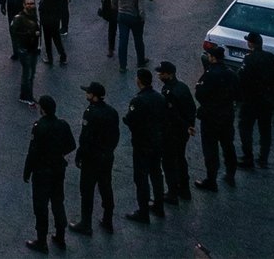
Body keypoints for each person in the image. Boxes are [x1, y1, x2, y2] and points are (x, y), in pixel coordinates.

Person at [22, 94, 75, 252]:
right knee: (58, 202)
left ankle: (41, 240)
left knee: (41, 206)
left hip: (42, 171)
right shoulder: (63, 125)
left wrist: (27, 171)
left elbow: (33, 152)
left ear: (42, 109)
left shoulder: (39, 127)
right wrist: (59, 154)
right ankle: (60, 236)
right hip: (58, 169)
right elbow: (71, 145)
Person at [70, 81, 118, 235]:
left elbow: (85, 137)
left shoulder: (90, 112)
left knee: (87, 190)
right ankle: (108, 219)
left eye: (88, 92)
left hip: (92, 157)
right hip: (107, 155)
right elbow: (116, 135)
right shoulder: (112, 111)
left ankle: (86, 223)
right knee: (106, 186)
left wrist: (80, 154)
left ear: (94, 96)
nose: (86, 94)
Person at [123, 69, 166, 223]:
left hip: (142, 143)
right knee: (156, 173)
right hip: (157, 141)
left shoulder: (138, 101)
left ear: (139, 81)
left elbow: (130, 119)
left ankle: (143, 211)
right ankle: (159, 205)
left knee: (141, 178)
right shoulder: (160, 98)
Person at [193, 44, 239, 190]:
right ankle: (230, 174)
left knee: (210, 149)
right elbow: (239, 94)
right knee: (228, 145)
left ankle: (211, 179)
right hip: (226, 115)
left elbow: (199, 93)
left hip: (211, 116)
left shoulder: (209, 74)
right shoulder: (231, 73)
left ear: (213, 58)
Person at [156, 60, 196, 205]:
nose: (160, 75)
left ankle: (172, 192)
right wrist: (190, 125)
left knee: (169, 162)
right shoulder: (183, 87)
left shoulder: (168, 92)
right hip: (182, 132)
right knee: (180, 159)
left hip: (172, 132)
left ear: (170, 74)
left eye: (162, 73)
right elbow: (191, 108)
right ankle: (184, 190)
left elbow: (171, 114)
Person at [236, 31, 274, 169]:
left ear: (251, 44)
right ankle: (263, 158)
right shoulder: (271, 58)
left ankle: (248, 157)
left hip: (251, 100)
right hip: (267, 99)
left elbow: (242, 78)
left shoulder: (249, 59)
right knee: (265, 130)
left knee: (245, 128)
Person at [10, 0, 41, 105]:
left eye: (32, 3)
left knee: (31, 74)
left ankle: (29, 95)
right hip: (24, 50)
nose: (30, 6)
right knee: (27, 74)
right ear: (23, 4)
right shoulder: (19, 18)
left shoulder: (33, 15)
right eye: (28, 4)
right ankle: (24, 96)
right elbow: (14, 34)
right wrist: (29, 34)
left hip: (33, 49)